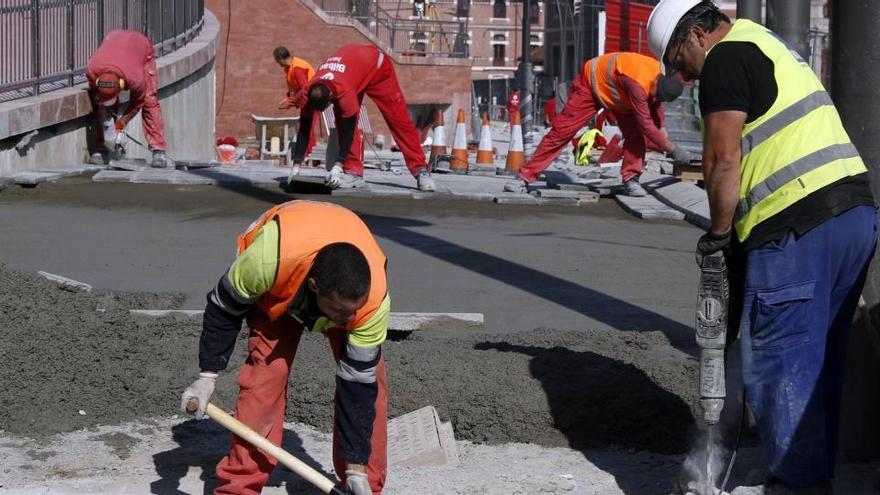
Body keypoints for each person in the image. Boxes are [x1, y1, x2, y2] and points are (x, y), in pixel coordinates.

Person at [648, 1, 877, 493]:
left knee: (779, 354)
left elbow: (722, 163)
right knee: (818, 362)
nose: (682, 78)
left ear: (694, 36)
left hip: (797, 222)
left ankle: (797, 485)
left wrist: (719, 236)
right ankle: (810, 476)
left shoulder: (725, 59)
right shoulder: (769, 43)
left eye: (678, 64)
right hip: (853, 216)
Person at [181, 200, 390, 495]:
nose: (347, 320)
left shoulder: (371, 304)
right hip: (280, 286)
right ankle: (239, 487)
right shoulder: (266, 261)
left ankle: (364, 486)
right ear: (315, 286)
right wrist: (207, 376)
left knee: (373, 386)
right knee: (264, 380)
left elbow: (358, 389)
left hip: (328, 277)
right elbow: (223, 309)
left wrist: (356, 466)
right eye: (340, 313)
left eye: (352, 312)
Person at [504, 51, 691, 197]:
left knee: (635, 136)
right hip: (592, 83)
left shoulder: (659, 80)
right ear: (657, 85)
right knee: (562, 131)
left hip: (618, 94)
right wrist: (673, 149)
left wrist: (663, 127)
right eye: (656, 95)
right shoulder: (638, 85)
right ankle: (524, 177)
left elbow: (656, 105)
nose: (655, 99)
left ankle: (631, 178)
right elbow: (647, 125)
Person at [292, 44, 436, 192]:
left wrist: (338, 165)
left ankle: (421, 170)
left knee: (398, 119)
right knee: (342, 119)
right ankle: (353, 173)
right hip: (355, 68)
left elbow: (348, 131)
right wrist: (296, 166)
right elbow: (304, 129)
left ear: (330, 96)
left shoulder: (344, 92)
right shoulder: (308, 91)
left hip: (378, 68)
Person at [86, 30, 169, 168]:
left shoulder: (134, 78)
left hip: (140, 45)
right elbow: (98, 98)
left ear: (122, 84)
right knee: (104, 108)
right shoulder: (92, 70)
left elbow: (138, 102)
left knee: (149, 101)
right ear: (97, 80)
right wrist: (109, 127)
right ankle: (102, 148)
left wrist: (121, 123)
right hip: (114, 39)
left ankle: (158, 150)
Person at [273, 46, 319, 159]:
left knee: (305, 128)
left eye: (277, 60)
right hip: (307, 101)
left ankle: (306, 156)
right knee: (305, 127)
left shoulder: (298, 68)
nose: (277, 63)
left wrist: (291, 101)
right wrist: (289, 98)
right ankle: (307, 155)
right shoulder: (289, 68)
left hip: (313, 100)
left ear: (281, 58)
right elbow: (294, 88)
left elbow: (305, 89)